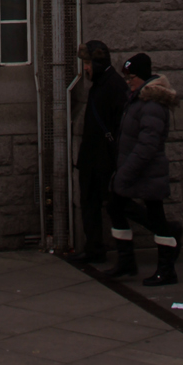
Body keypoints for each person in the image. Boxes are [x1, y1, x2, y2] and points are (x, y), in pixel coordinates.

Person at [105, 52, 182, 286]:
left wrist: (125, 173)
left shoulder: (152, 103)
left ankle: (167, 269)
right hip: (136, 169)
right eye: (127, 78)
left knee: (157, 218)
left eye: (132, 78)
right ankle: (126, 260)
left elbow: (147, 145)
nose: (128, 82)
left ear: (144, 77)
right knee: (115, 206)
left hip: (147, 171)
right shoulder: (137, 99)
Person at [73, 40, 129, 265]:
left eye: (87, 63)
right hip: (92, 159)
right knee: (90, 203)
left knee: (115, 206)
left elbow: (119, 126)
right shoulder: (100, 84)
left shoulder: (113, 86)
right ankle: (94, 247)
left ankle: (121, 252)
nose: (85, 68)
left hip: (104, 160)